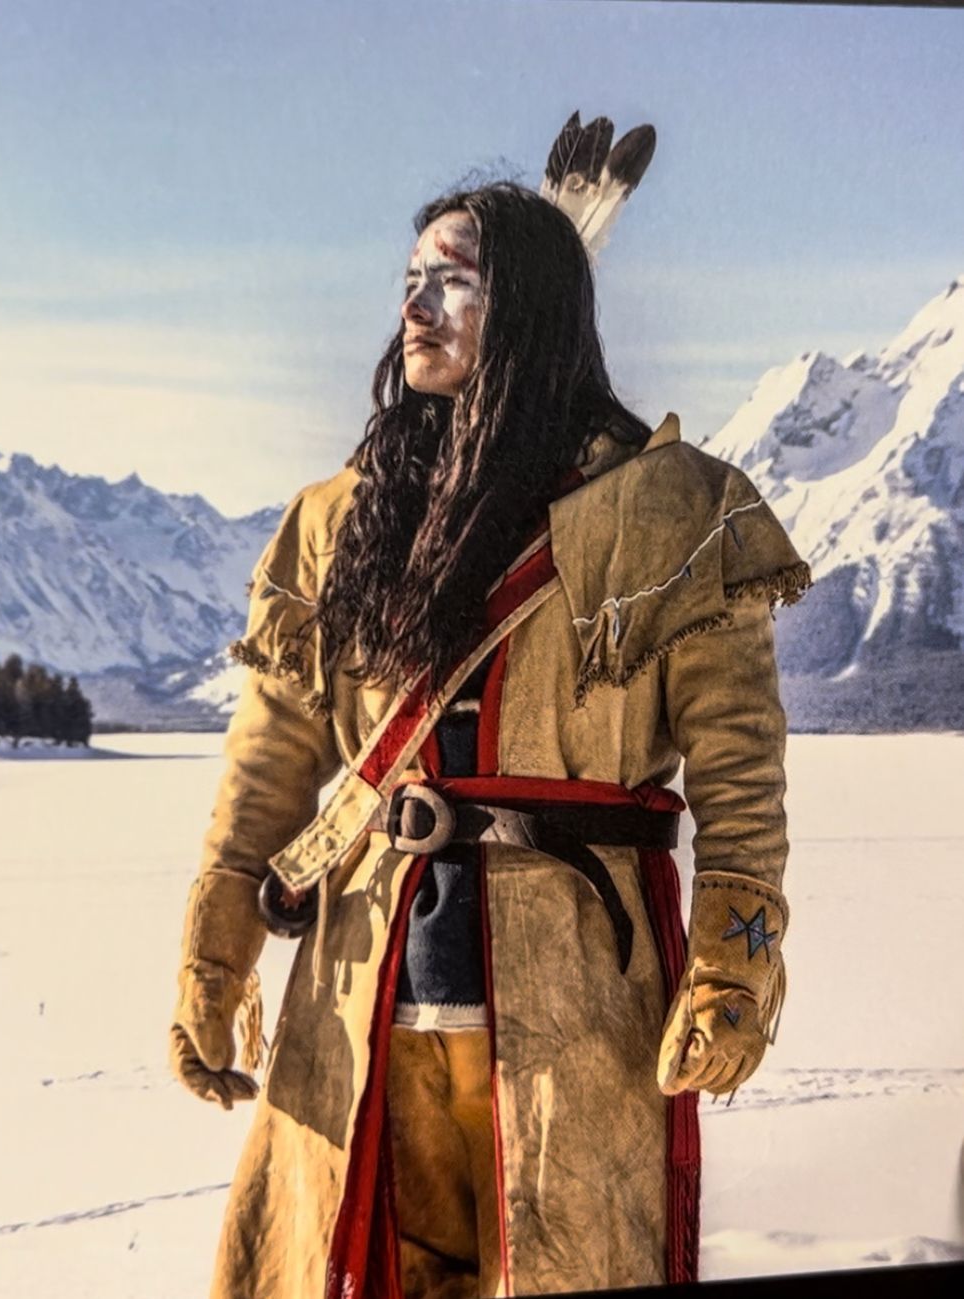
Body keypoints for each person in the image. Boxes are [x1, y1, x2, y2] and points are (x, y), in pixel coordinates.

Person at [168, 180, 810, 1299]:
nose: (416, 309)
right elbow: (272, 755)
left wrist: (737, 958)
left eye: (453, 283)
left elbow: (740, 767)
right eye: (412, 283)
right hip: (362, 985)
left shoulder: (672, 514)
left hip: (578, 996)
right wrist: (215, 953)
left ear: (532, 312)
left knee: (555, 1264)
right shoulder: (342, 519)